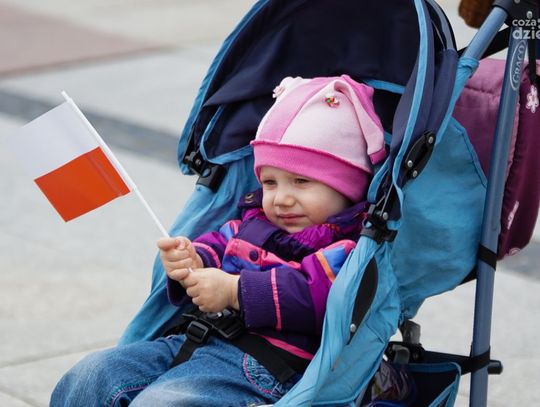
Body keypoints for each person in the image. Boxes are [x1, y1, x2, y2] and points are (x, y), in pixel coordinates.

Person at [50, 75, 409, 407]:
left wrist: (235, 291)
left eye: (301, 182)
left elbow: (315, 297)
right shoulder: (246, 226)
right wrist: (191, 262)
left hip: (265, 368)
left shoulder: (346, 249)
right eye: (270, 183)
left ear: (347, 187)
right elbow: (213, 248)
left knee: (163, 402)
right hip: (193, 342)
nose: (282, 199)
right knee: (93, 374)